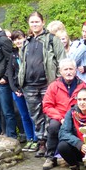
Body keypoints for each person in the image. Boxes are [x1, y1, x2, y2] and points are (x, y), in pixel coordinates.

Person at [18, 11, 66, 156]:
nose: (34, 24)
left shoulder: (52, 39)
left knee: (49, 115)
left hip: (48, 84)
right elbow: (22, 63)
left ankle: (51, 144)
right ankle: (41, 143)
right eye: (32, 22)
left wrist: (58, 81)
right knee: (36, 117)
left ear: (43, 22)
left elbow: (62, 61)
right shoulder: (26, 42)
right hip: (29, 85)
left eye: (37, 21)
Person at [42, 58, 86, 170]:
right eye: (66, 69)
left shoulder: (84, 87)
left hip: (78, 117)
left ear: (75, 70)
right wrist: (60, 118)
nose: (68, 72)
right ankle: (50, 157)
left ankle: (80, 155)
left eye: (71, 69)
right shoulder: (53, 86)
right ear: (60, 71)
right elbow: (47, 106)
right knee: (53, 126)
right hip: (59, 117)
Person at [10, 30, 38, 150]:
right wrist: (14, 89)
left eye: (20, 38)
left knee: (33, 115)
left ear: (25, 38)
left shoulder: (30, 52)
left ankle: (36, 139)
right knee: (24, 115)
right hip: (17, 91)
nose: (18, 41)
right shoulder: (13, 54)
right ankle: (29, 138)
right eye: (15, 39)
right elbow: (10, 73)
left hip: (29, 88)